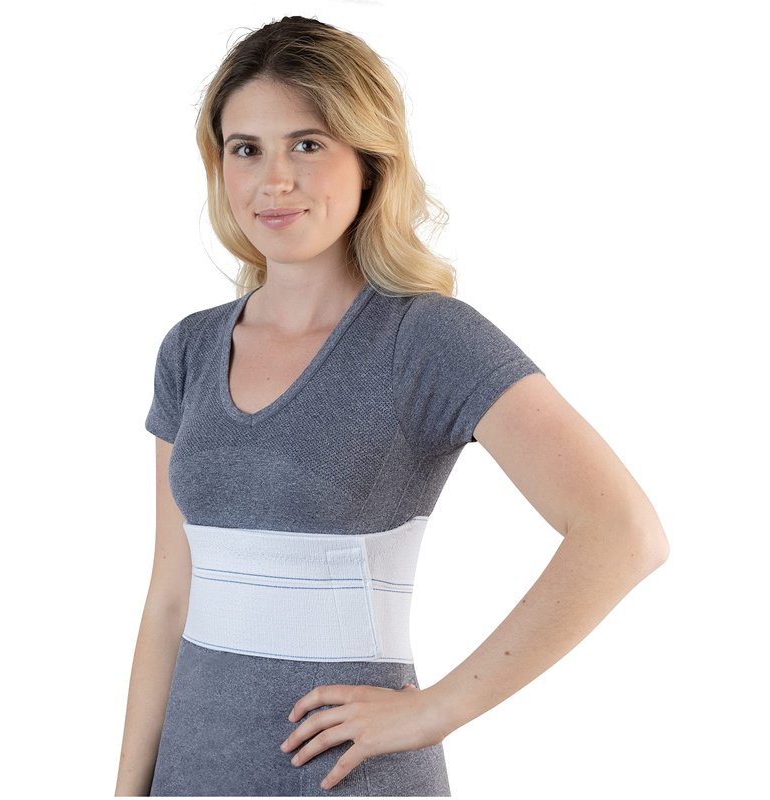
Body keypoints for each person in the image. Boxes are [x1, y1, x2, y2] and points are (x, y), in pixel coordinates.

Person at [115, 15, 669, 798]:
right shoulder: (190, 349)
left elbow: (624, 532)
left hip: (350, 782)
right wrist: (127, 789)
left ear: (371, 162)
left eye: (308, 144)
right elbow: (171, 598)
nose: (274, 180)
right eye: (247, 149)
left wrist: (436, 711)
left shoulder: (425, 340)